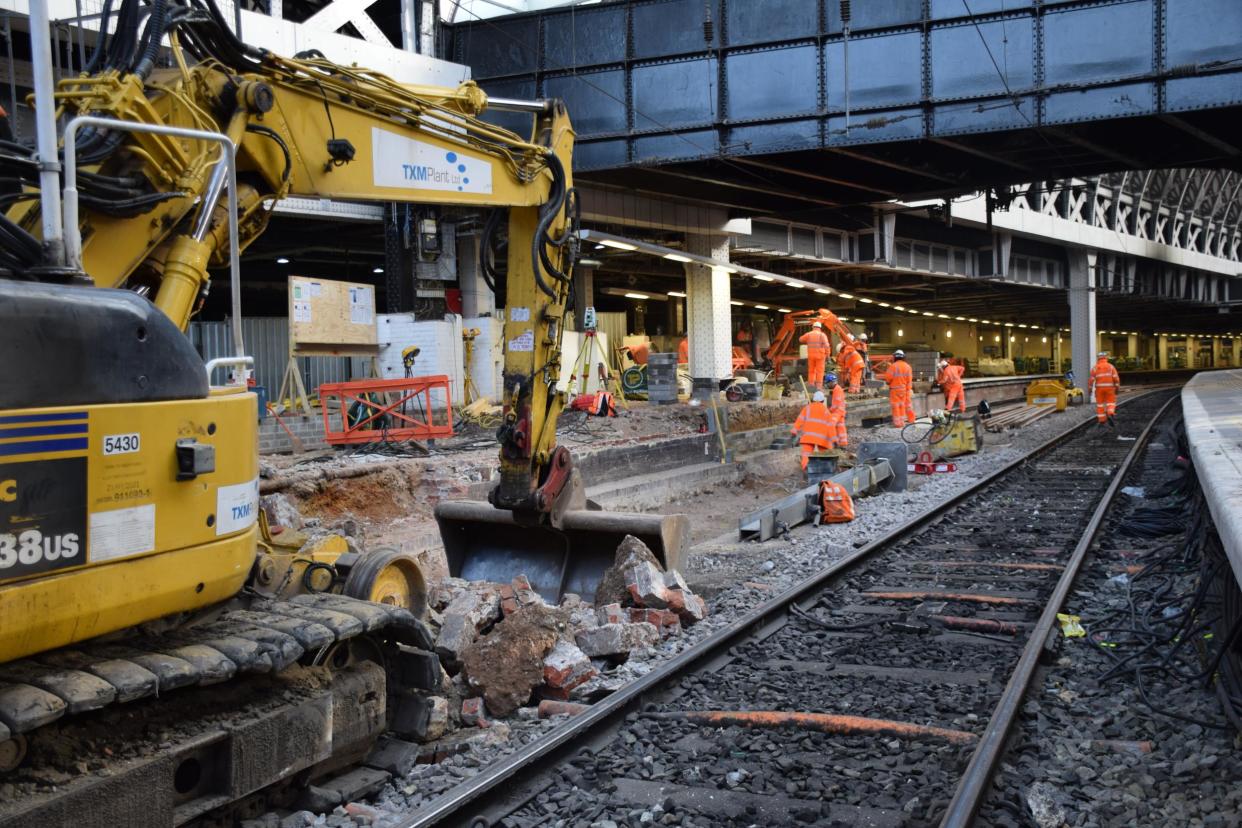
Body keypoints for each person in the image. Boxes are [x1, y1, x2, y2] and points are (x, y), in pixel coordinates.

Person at [791, 390, 834, 470]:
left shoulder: (807, 408)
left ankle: (806, 468)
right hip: (822, 439)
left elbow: (799, 420)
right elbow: (831, 426)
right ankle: (824, 469)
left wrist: (794, 430)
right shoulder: (826, 411)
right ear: (823, 400)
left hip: (808, 437)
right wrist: (834, 439)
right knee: (824, 454)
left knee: (806, 454)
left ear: (813, 399)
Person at [1088, 351, 1120, 427]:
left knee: (1100, 405)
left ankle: (1102, 420)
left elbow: (1091, 380)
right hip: (1110, 389)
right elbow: (1116, 379)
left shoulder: (1095, 368)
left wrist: (1090, 389)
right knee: (1111, 403)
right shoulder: (1111, 366)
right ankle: (1110, 414)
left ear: (1098, 358)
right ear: (1106, 358)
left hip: (1099, 389)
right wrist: (1117, 388)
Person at [885, 350, 916, 427]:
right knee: (903, 406)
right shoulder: (908, 366)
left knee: (896, 407)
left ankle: (898, 423)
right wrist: (908, 389)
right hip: (904, 390)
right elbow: (909, 380)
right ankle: (904, 421)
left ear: (895, 357)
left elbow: (888, 379)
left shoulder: (893, 366)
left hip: (894, 390)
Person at [799, 321, 831, 388]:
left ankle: (811, 385)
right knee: (820, 371)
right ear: (820, 328)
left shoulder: (809, 334)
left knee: (811, 371)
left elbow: (800, 339)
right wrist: (828, 355)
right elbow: (827, 346)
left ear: (813, 327)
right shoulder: (822, 335)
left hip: (811, 356)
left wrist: (807, 340)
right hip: (820, 356)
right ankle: (818, 386)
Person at [825, 372, 848, 448]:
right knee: (841, 428)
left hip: (837, 411)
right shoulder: (838, 388)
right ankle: (843, 443)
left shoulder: (837, 390)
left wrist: (829, 410)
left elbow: (836, 404)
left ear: (831, 382)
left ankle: (834, 442)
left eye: (827, 383)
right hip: (841, 411)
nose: (827, 385)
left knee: (830, 424)